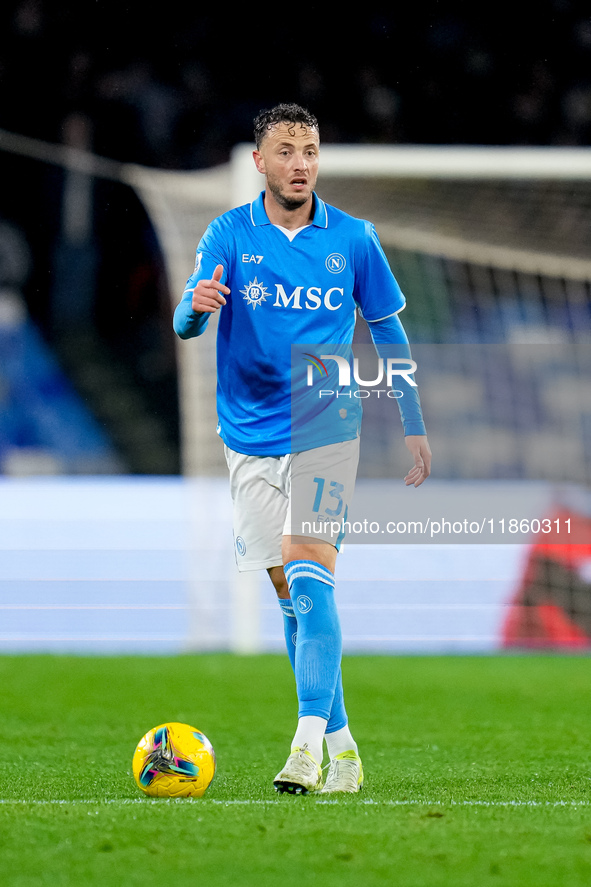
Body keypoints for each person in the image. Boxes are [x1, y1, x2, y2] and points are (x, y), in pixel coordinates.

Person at [173, 102, 431, 794]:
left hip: (326, 421)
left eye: (310, 150)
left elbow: (387, 330)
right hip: (248, 435)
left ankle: (304, 748)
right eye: (286, 150)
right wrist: (197, 305)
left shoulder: (352, 238)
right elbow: (184, 322)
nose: (300, 163)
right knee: (292, 598)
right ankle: (344, 748)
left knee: (312, 577)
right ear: (259, 161)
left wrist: (411, 418)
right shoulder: (229, 233)